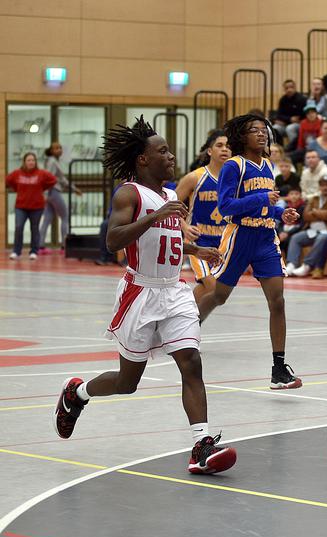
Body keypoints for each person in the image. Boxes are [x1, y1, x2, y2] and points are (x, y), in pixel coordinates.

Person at [53, 116, 236, 475]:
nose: (170, 156)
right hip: (141, 292)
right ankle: (77, 393)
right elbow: (113, 240)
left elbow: (165, 241)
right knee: (127, 382)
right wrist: (154, 218)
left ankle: (201, 445)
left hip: (174, 290)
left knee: (191, 361)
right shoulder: (129, 193)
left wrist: (194, 250)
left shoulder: (169, 195)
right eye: (163, 151)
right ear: (143, 159)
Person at [196, 114, 302, 390]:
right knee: (219, 295)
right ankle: (184, 330)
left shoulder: (267, 165)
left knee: (277, 300)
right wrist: (261, 199)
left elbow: (265, 205)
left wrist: (282, 212)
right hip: (239, 235)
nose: (262, 134)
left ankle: (279, 368)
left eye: (263, 130)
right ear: (242, 137)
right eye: (254, 130)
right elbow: (226, 206)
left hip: (266, 236)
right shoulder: (234, 166)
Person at [174, 130, 230, 303]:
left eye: (229, 147)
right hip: (198, 242)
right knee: (213, 288)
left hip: (224, 244)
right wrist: (184, 227)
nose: (224, 149)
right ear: (210, 151)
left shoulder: (236, 180)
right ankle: (185, 319)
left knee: (215, 293)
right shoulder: (195, 177)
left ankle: (183, 317)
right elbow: (169, 205)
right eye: (219, 145)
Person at [287, 175, 327, 278]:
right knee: (296, 238)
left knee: (323, 238)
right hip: (313, 230)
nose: (325, 188)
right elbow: (306, 216)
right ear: (319, 187)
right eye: (322, 185)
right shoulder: (314, 198)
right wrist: (320, 214)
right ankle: (291, 264)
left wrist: (314, 212)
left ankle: (307, 265)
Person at [6, 152, 56, 260]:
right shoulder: (17, 173)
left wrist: (43, 188)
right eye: (28, 160)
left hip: (37, 207)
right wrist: (17, 189)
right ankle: (16, 251)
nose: (31, 162)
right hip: (21, 206)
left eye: (33, 160)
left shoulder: (41, 173)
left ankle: (34, 251)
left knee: (34, 228)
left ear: (35, 162)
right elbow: (8, 180)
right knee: (18, 227)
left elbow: (53, 180)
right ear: (24, 162)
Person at [39, 142, 81, 250]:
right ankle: (64, 245)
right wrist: (46, 193)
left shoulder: (52, 161)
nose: (59, 150)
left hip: (50, 193)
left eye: (60, 148)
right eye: (56, 148)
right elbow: (49, 177)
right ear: (51, 150)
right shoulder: (52, 161)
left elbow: (61, 178)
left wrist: (73, 188)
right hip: (53, 191)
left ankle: (40, 245)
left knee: (47, 218)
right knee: (65, 216)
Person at [273, 79, 306, 144]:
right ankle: (278, 149)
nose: (289, 89)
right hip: (285, 124)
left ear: (295, 88)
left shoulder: (302, 99)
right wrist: (289, 119)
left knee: (290, 128)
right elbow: (279, 115)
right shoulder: (283, 100)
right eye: (287, 88)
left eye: (291, 87)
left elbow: (301, 116)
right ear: (284, 89)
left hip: (298, 125)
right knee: (275, 128)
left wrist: (286, 120)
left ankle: (293, 150)